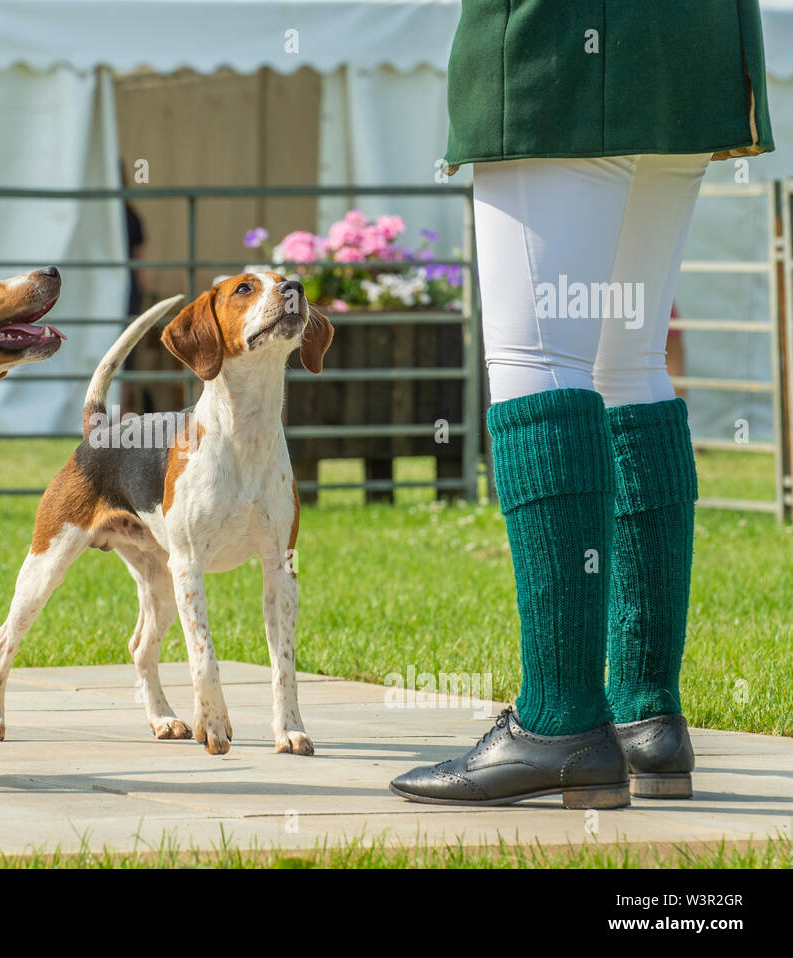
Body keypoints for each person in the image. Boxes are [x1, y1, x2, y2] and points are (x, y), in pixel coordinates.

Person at [391, 0, 774, 808]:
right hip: (690, 41)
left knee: (540, 362)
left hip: (561, 42)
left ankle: (560, 721)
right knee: (627, 363)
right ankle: (645, 717)